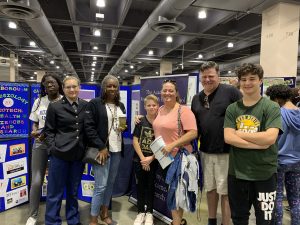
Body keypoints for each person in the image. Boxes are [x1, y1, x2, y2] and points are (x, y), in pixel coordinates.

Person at [224, 63, 282, 225]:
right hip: (237, 174)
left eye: (252, 79)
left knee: (265, 219)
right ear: (239, 82)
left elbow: (270, 138)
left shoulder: (271, 107)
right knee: (238, 218)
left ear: (260, 81)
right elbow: (229, 138)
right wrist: (260, 143)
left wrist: (240, 133)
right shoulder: (232, 109)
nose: (247, 83)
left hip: (265, 174)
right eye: (244, 79)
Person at [191, 61, 242, 225]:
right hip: (205, 151)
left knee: (225, 192)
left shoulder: (231, 92)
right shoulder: (196, 98)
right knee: (210, 189)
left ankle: (225, 222)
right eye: (204, 76)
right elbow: (193, 125)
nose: (207, 79)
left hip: (226, 152)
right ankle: (212, 220)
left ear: (218, 75)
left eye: (211, 76)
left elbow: (243, 115)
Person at [43, 76, 88, 225]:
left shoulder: (85, 105)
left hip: (78, 157)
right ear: (63, 88)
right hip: (59, 156)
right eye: (68, 87)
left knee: (73, 192)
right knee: (55, 192)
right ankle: (52, 221)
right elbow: (48, 131)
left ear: (79, 87)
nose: (72, 90)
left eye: (74, 86)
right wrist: (52, 149)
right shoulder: (55, 106)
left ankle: (73, 220)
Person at [153, 79, 197, 225]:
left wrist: (173, 145)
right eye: (164, 90)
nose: (167, 93)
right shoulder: (160, 109)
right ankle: (177, 222)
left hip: (179, 158)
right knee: (174, 194)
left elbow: (193, 133)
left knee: (176, 194)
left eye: (171, 90)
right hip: (164, 158)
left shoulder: (183, 111)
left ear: (176, 93)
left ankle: (176, 223)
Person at [84, 75, 126, 225]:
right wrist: (101, 147)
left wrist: (124, 127)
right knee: (100, 186)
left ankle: (105, 213)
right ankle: (93, 219)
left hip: (117, 151)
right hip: (102, 151)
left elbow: (122, 127)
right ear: (103, 87)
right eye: (109, 86)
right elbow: (88, 128)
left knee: (110, 184)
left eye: (115, 86)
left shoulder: (120, 106)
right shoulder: (95, 104)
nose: (112, 89)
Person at [26, 74, 64, 225]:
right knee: (36, 181)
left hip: (58, 144)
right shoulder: (38, 101)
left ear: (58, 84)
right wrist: (34, 131)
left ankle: (52, 214)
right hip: (40, 143)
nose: (49, 85)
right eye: (46, 83)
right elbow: (35, 123)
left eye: (52, 82)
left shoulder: (64, 100)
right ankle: (32, 215)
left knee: (55, 181)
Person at [266, 84, 300, 225]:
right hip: (297, 161)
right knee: (295, 198)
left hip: (279, 161)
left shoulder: (278, 114)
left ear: (277, 98)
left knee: (277, 198)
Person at [132, 94, 159, 225]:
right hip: (140, 160)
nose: (151, 107)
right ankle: (140, 212)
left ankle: (149, 213)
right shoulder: (140, 121)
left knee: (151, 186)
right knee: (140, 186)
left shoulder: (160, 122)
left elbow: (163, 143)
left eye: (154, 105)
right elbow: (135, 140)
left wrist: (151, 159)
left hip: (154, 161)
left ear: (158, 106)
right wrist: (143, 159)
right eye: (149, 105)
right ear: (145, 107)